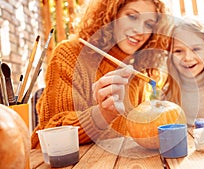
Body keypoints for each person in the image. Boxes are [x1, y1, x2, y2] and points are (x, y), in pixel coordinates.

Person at [31, 0, 171, 148]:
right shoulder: (69, 54)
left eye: (149, 24)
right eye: (132, 16)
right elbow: (52, 133)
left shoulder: (137, 75)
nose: (139, 30)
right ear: (112, 15)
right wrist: (102, 114)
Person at [96, 15, 204, 129]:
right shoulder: (166, 96)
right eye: (178, 51)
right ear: (170, 55)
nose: (187, 58)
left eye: (196, 49)